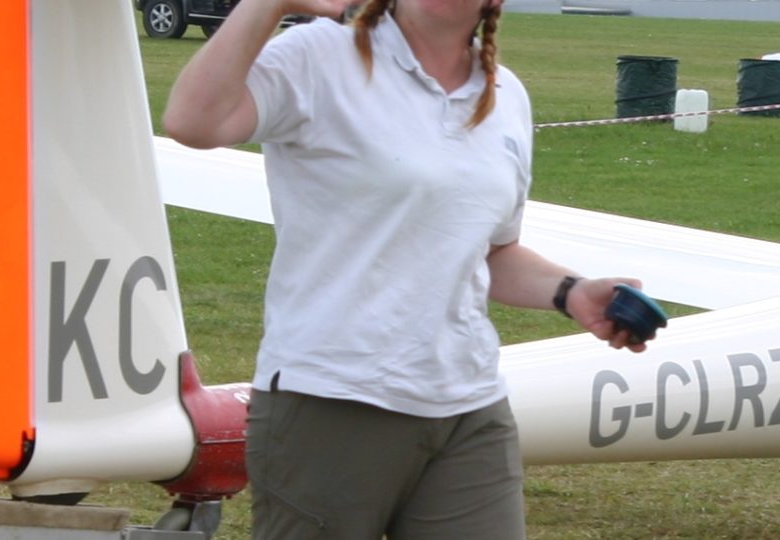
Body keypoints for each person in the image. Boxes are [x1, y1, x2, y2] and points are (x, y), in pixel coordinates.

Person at [161, 0, 653, 536]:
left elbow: (491, 250)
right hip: (331, 398)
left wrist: (571, 291)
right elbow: (193, 122)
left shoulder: (505, 95)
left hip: (468, 405)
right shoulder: (318, 55)